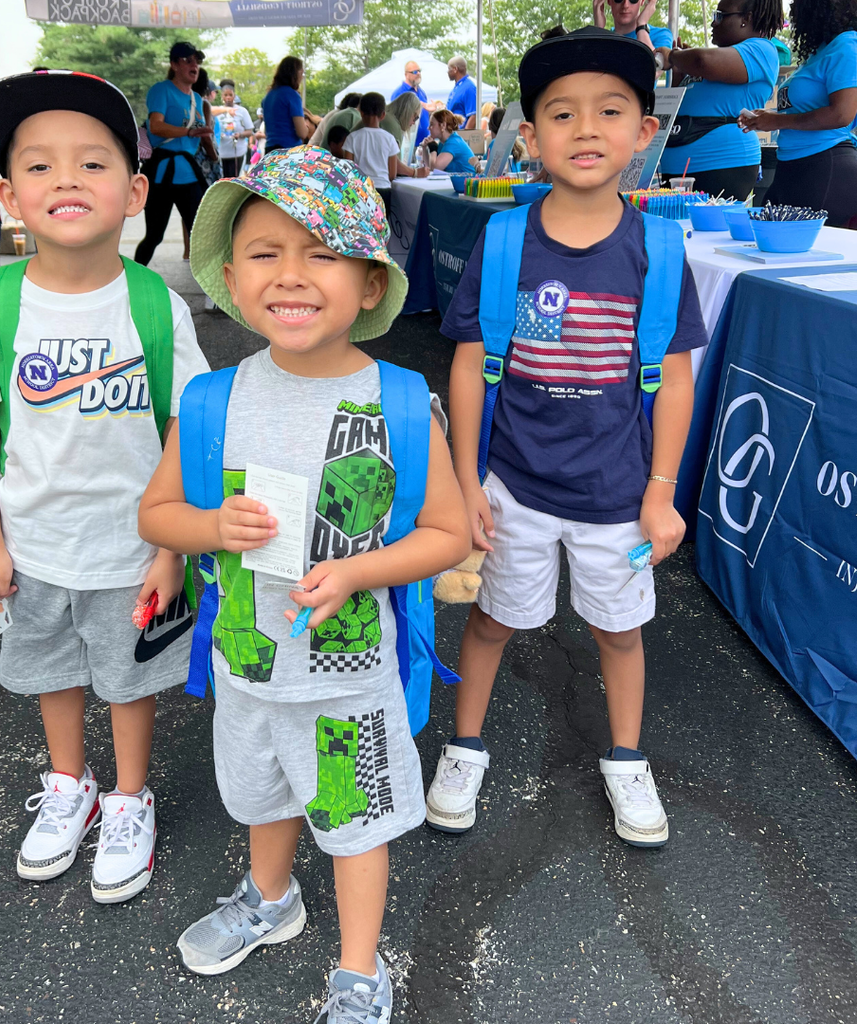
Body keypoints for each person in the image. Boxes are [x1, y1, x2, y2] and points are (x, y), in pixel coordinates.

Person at [139, 145, 470, 1024]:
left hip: (351, 683)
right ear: (232, 280)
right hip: (247, 672)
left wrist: (360, 569)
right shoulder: (211, 400)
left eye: (322, 252)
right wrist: (207, 530)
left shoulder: (402, 401)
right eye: (264, 253)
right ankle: (270, 898)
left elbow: (450, 532)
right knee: (261, 797)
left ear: (368, 284)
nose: (291, 275)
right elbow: (157, 513)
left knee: (357, 826)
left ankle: (360, 971)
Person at [428, 28, 708, 849]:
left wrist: (660, 493)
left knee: (619, 632)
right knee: (491, 620)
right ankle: (466, 745)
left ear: (644, 132)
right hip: (513, 482)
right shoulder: (505, 241)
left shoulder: (658, 247)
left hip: (618, 493)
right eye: (561, 114)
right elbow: (472, 362)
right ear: (530, 136)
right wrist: (466, 481)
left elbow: (675, 378)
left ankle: (626, 758)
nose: (586, 130)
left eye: (610, 111)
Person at [0, 71, 209, 903]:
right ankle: (71, 784)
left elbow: (182, 425)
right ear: (7, 192)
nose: (64, 180)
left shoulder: (155, 303)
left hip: (133, 551)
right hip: (35, 546)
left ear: (133, 193)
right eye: (39, 165)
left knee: (127, 681)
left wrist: (169, 547)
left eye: (91, 164)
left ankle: (129, 796)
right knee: (52, 672)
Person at [739, 0, 857, 227]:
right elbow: (805, 110)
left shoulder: (847, 44)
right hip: (792, 167)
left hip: (825, 166)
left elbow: (841, 114)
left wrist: (776, 121)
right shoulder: (821, 51)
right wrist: (767, 118)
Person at [656, 0, 782, 200]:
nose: (714, 23)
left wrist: (673, 56)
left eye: (720, 16)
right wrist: (680, 75)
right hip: (678, 170)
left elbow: (702, 61)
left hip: (722, 165)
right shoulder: (720, 60)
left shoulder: (761, 49)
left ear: (746, 19)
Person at [135, 40, 213, 266]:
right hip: (162, 174)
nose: (194, 65)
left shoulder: (196, 99)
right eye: (187, 60)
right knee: (154, 236)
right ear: (174, 64)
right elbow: (156, 126)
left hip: (189, 174)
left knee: (201, 236)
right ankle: (132, 279)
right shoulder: (162, 90)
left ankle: (216, 294)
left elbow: (198, 134)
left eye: (196, 61)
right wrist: (188, 132)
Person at [343, 92, 399, 214]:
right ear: (383, 115)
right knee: (381, 230)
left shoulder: (352, 138)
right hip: (383, 190)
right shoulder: (390, 138)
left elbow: (348, 169)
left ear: (361, 113)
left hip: (360, 189)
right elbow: (392, 174)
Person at [261, 55, 310, 153]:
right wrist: (307, 128)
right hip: (289, 150)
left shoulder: (268, 96)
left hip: (270, 150)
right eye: (301, 73)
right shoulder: (292, 95)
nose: (302, 77)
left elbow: (267, 130)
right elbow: (302, 133)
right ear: (294, 74)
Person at [593, 0, 673, 51]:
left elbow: (654, 70)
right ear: (609, 1)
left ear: (642, 1)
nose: (625, 5)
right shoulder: (603, 39)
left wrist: (641, 25)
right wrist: (598, 30)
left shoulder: (661, 35)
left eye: (633, 0)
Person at [216, 78, 254, 178]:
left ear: (234, 95)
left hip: (237, 153)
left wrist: (240, 135)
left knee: (234, 180)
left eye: (230, 95)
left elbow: (250, 131)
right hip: (221, 154)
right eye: (225, 95)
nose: (228, 98)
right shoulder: (217, 112)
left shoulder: (242, 111)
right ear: (222, 96)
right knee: (222, 182)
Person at [420, 108, 478, 173]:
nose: (428, 128)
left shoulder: (453, 143)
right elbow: (429, 167)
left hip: (466, 182)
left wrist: (433, 147)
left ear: (443, 125)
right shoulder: (443, 143)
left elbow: (435, 169)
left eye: (432, 124)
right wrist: (424, 148)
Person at [390, 60, 432, 145]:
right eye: (414, 72)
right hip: (408, 144)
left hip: (424, 142)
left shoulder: (421, 92)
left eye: (419, 71)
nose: (418, 74)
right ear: (406, 74)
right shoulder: (399, 93)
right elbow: (394, 118)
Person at [383, 91, 423, 175]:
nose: (413, 123)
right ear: (408, 112)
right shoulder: (392, 124)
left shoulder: (387, 118)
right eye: (415, 118)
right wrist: (415, 173)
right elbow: (394, 164)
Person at [446, 56, 478, 127]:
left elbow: (473, 116)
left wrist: (463, 137)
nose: (447, 72)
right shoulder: (458, 87)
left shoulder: (469, 87)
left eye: (449, 69)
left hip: (460, 135)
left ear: (455, 69)